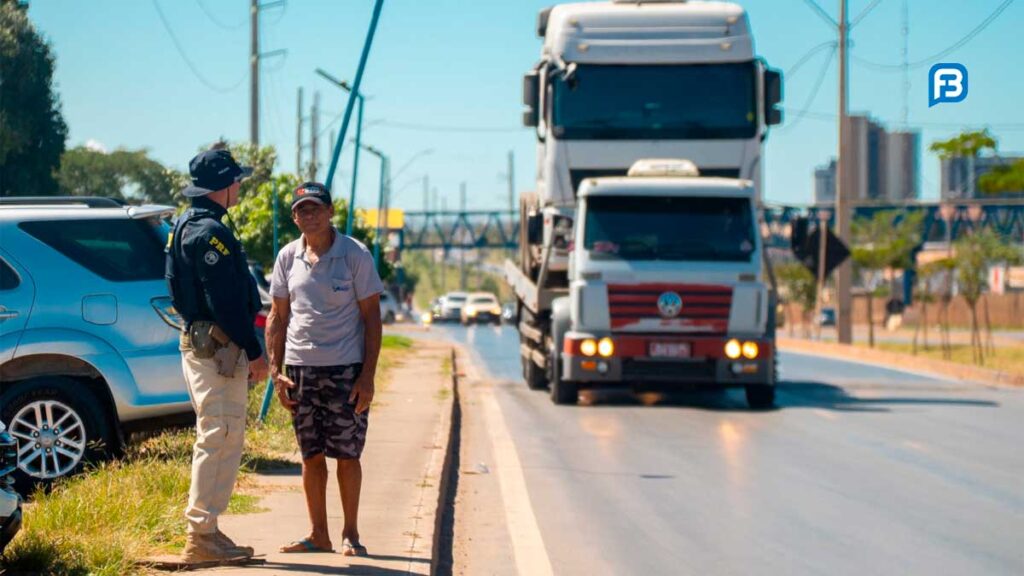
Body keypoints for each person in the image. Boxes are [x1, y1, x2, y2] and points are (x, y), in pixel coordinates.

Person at [266, 182, 384, 556]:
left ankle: (351, 534)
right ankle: (319, 534)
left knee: (348, 455)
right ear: (294, 217)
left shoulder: (355, 255)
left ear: (330, 212)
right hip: (301, 371)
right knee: (310, 455)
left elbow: (372, 319)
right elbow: (277, 317)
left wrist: (367, 377)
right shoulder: (287, 257)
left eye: (315, 208)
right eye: (301, 209)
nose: (309, 215)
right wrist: (275, 370)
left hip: (345, 371)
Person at [166, 148, 269, 563]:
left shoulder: (185, 225)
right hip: (219, 347)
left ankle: (209, 529)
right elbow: (224, 301)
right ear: (224, 186)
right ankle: (201, 536)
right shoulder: (208, 232)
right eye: (237, 181)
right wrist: (254, 350)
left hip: (206, 343)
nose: (241, 186)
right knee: (219, 435)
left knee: (222, 435)